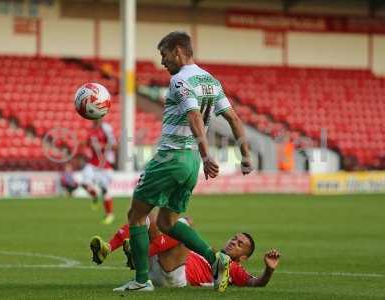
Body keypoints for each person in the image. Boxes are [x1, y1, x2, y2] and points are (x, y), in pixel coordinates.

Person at [114, 31, 253, 292]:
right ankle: (217, 260)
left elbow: (193, 116)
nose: (163, 62)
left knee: (136, 216)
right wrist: (245, 154)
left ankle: (141, 281)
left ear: (178, 51)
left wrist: (206, 153)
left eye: (164, 55)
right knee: (167, 223)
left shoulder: (180, 81)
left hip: (171, 156)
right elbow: (233, 118)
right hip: (190, 165)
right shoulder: (211, 81)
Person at [90, 214, 280, 289]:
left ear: (244, 257)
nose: (234, 242)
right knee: (149, 216)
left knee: (183, 227)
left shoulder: (231, 267)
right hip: (159, 264)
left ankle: (140, 253)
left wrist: (269, 270)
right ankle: (107, 248)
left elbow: (255, 283)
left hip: (174, 277)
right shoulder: (208, 251)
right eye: (234, 238)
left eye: (240, 244)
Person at [80, 119, 117, 224]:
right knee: (84, 183)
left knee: (105, 190)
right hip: (92, 163)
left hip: (105, 165)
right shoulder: (91, 130)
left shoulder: (106, 128)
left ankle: (109, 214)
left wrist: (103, 145)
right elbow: (87, 144)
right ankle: (94, 195)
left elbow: (115, 146)